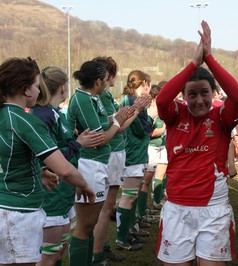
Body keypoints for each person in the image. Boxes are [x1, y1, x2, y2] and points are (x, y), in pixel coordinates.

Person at [0, 57, 95, 266]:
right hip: (17, 215)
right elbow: (65, 170)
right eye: (35, 85)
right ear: (25, 89)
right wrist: (85, 185)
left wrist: (36, 172)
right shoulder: (24, 120)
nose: (39, 90)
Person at [156, 21, 238, 265]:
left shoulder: (222, 117)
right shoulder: (175, 115)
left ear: (214, 93)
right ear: (183, 96)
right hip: (177, 207)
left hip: (214, 210)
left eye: (204, 92)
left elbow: (237, 95)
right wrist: (194, 62)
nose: (198, 100)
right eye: (191, 94)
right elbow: (162, 99)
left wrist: (210, 59)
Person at [30, 66, 103, 266]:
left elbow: (60, 148)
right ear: (63, 88)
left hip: (62, 192)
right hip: (51, 194)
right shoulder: (42, 116)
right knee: (48, 255)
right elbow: (51, 159)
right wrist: (79, 143)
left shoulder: (54, 113)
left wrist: (75, 139)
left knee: (59, 249)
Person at [67, 60, 133, 266]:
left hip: (98, 164)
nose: (108, 82)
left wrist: (116, 120)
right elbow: (100, 139)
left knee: (90, 224)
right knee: (85, 226)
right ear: (97, 82)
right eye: (105, 79)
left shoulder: (92, 98)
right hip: (89, 164)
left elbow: (107, 127)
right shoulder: (83, 100)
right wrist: (117, 121)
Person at [91, 56, 151, 264]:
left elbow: (116, 122)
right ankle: (97, 253)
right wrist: (138, 110)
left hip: (114, 152)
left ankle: (101, 247)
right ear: (108, 75)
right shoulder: (103, 97)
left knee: (103, 207)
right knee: (104, 208)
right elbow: (119, 126)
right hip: (113, 152)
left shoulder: (103, 97)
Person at [115, 69, 153, 251]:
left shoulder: (129, 100)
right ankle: (122, 238)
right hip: (132, 153)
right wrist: (150, 120)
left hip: (135, 152)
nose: (149, 89)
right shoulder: (131, 102)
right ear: (144, 83)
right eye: (148, 85)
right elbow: (140, 128)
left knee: (132, 195)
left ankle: (129, 230)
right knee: (128, 196)